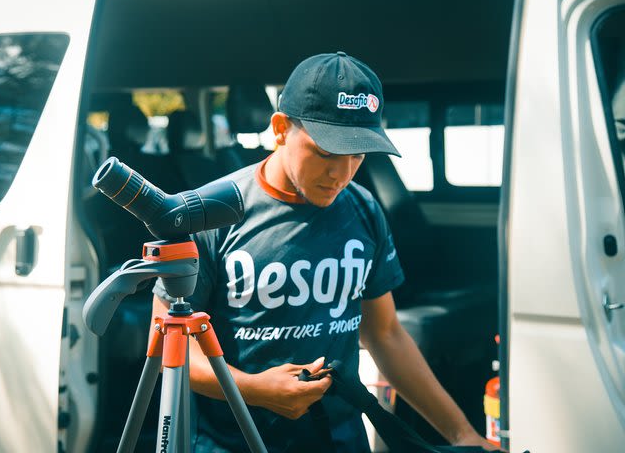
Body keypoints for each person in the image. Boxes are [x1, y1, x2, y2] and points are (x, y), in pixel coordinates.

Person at [152, 52, 497, 452]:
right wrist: (253, 389)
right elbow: (167, 345)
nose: (342, 173)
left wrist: (463, 435)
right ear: (281, 129)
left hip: (339, 439)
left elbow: (384, 334)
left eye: (357, 154)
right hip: (236, 440)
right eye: (327, 153)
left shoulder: (364, 209)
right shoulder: (209, 215)